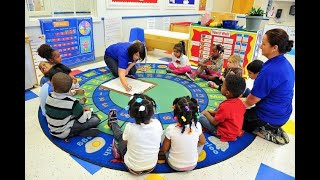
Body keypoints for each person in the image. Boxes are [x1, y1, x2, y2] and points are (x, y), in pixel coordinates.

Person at [242, 28, 294, 145]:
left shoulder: (270, 70)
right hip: (283, 114)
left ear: (274, 48)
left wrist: (232, 107)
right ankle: (274, 127)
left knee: (233, 119)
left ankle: (266, 130)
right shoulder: (285, 64)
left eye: (264, 44)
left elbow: (250, 101)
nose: (260, 46)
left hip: (268, 117)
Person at [107, 93, 163, 175]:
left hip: (132, 168)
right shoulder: (158, 124)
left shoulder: (129, 127)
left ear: (131, 114)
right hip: (152, 167)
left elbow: (125, 142)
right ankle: (113, 125)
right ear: (153, 111)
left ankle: (113, 124)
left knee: (121, 138)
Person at [45, 72, 100, 139]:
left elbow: (61, 102)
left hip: (52, 130)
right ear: (70, 88)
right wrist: (89, 112)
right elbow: (82, 120)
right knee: (95, 119)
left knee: (73, 109)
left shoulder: (49, 96)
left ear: (53, 87)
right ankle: (78, 132)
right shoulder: (73, 102)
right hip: (64, 132)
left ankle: (78, 127)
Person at [159, 96, 206, 171]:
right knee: (200, 143)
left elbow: (165, 149)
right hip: (193, 164)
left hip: (174, 165)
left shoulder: (171, 128)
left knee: (164, 133)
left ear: (176, 114)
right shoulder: (198, 125)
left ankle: (162, 157)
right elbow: (203, 141)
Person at [199, 74, 246, 142]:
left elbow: (214, 123)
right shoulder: (240, 103)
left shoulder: (225, 106)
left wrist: (206, 114)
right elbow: (230, 115)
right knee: (216, 110)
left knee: (200, 117)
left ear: (227, 93)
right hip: (234, 130)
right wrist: (214, 113)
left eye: (222, 86)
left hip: (223, 133)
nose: (221, 86)